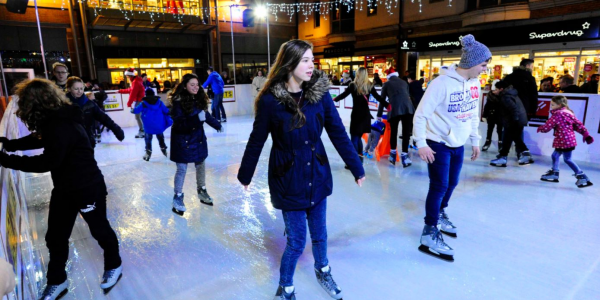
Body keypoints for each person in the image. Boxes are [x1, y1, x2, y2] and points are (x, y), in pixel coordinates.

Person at [237, 40, 365, 300]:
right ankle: (285, 286)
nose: (311, 64)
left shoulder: (319, 94)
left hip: (317, 173)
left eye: (312, 59)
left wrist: (356, 166)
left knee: (320, 235)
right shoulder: (270, 100)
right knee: (296, 242)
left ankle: (323, 270)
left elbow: (338, 132)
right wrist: (245, 174)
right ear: (290, 62)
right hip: (287, 178)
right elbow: (257, 139)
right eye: (305, 59)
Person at [0, 79, 123, 299]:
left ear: (37, 104)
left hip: (87, 188)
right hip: (65, 189)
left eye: (26, 105)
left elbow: (46, 162)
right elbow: (42, 137)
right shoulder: (56, 119)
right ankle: (57, 280)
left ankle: (115, 264)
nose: (23, 110)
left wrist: (6, 160)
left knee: (99, 229)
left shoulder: (62, 124)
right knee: (55, 237)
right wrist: (12, 146)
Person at [413, 34, 489, 262]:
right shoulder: (441, 83)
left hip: (459, 143)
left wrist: (475, 139)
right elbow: (420, 115)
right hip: (438, 143)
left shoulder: (475, 83)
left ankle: (441, 213)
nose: (485, 70)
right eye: (484, 65)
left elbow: (473, 114)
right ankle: (429, 231)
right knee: (439, 185)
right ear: (473, 62)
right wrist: (421, 143)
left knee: (453, 183)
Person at [170, 73, 222, 214]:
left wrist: (217, 125)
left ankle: (202, 190)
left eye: (197, 85)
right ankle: (178, 197)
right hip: (182, 140)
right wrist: (196, 120)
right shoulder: (178, 101)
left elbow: (205, 116)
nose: (195, 87)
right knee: (181, 169)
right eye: (192, 85)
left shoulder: (199, 99)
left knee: (200, 165)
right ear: (185, 85)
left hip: (197, 138)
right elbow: (179, 124)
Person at [537, 95, 594, 187]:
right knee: (555, 155)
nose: (551, 107)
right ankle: (554, 173)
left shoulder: (558, 114)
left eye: (553, 105)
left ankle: (582, 176)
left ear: (559, 105)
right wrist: (585, 133)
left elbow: (549, 125)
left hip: (564, 141)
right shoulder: (569, 112)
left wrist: (541, 128)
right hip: (567, 140)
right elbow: (578, 125)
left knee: (568, 159)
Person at [334, 67, 384, 165]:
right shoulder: (369, 85)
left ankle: (354, 162)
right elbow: (378, 97)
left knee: (354, 139)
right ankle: (359, 159)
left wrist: (334, 100)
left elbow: (344, 95)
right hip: (365, 116)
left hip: (356, 115)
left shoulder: (353, 85)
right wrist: (387, 104)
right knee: (358, 138)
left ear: (357, 74)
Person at [66, 77, 124, 148]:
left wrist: (117, 130)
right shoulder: (63, 105)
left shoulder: (90, 104)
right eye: (76, 89)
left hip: (87, 141)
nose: (79, 91)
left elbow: (104, 118)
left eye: (81, 88)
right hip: (69, 143)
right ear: (69, 89)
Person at [490, 80, 533, 167]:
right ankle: (503, 157)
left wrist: (514, 121)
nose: (494, 92)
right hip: (515, 120)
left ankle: (526, 155)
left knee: (516, 138)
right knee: (508, 139)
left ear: (501, 89)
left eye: (496, 89)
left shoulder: (506, 97)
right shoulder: (510, 94)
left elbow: (514, 109)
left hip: (514, 121)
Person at [377, 68, 414, 167]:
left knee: (394, 131)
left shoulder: (387, 84)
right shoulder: (404, 82)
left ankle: (392, 154)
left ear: (388, 76)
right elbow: (407, 95)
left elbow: (382, 100)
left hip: (394, 108)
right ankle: (405, 157)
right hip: (408, 108)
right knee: (406, 133)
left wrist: (379, 115)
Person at [132, 89, 171, 161]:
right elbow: (166, 110)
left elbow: (136, 111)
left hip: (148, 125)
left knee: (148, 138)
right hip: (158, 125)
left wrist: (132, 110)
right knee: (160, 137)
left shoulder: (143, 103)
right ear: (153, 94)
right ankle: (163, 149)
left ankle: (148, 152)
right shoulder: (159, 102)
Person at [118, 68, 146, 138]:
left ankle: (142, 131)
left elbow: (133, 93)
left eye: (127, 76)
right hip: (140, 100)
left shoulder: (135, 82)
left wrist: (129, 103)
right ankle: (143, 130)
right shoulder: (136, 81)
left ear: (130, 75)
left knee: (137, 116)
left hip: (139, 101)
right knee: (139, 116)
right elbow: (131, 90)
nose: (126, 77)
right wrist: (121, 91)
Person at [482, 84, 504, 151]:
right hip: (491, 115)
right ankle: (487, 142)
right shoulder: (490, 97)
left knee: (500, 130)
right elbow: (487, 106)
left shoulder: (503, 96)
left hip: (500, 115)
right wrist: (484, 115)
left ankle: (500, 143)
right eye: (494, 90)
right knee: (490, 129)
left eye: (496, 90)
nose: (494, 91)